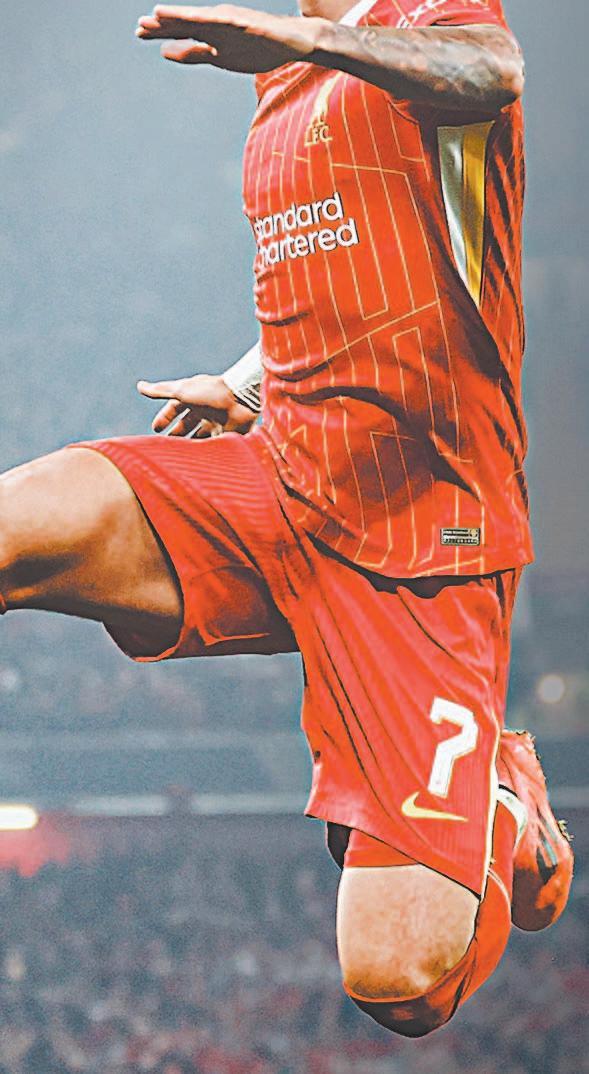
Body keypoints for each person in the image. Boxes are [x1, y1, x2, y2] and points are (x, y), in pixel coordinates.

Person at [0, 0, 572, 1038]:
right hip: (277, 480)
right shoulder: (279, 85)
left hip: (422, 535)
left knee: (400, 987)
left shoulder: (424, 26)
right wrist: (248, 381)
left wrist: (312, 41)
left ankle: (501, 791)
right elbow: (370, 254)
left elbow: (491, 70)